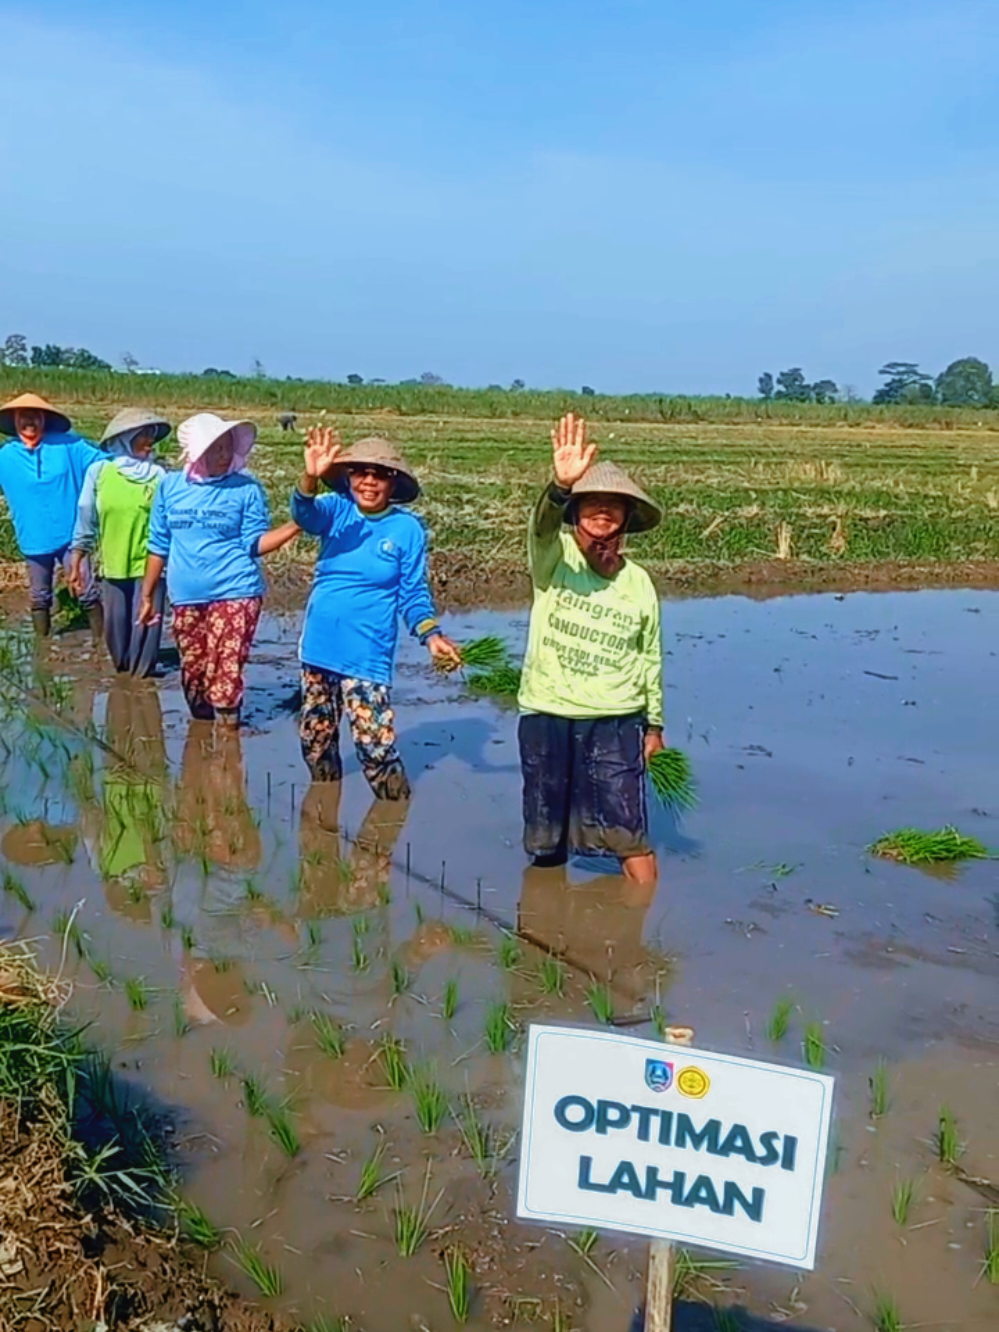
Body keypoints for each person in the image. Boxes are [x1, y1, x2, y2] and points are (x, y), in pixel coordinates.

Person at [517, 412, 665, 885]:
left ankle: (644, 920)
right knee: (546, 840)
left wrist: (654, 725)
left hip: (616, 721)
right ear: (575, 514)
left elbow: (650, 656)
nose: (602, 512)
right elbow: (539, 528)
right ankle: (546, 932)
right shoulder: (553, 559)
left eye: (613, 506)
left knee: (629, 835)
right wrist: (559, 486)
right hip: (548, 715)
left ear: (626, 518)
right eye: (590, 503)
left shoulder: (639, 582)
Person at [291, 426, 461, 800]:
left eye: (380, 474)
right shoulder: (335, 510)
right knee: (314, 740)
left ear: (394, 483)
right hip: (319, 647)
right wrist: (310, 476)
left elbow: (413, 593)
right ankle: (321, 818)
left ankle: (393, 816)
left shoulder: (407, 529)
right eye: (360, 472)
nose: (369, 482)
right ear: (348, 477)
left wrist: (431, 634)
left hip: (366, 653)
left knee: (375, 745)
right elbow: (303, 514)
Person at [138, 412, 299, 725]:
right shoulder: (170, 487)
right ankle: (201, 742)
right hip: (186, 594)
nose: (224, 455)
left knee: (225, 673)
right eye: (215, 448)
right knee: (195, 676)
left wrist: (294, 526)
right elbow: (158, 544)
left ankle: (227, 747)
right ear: (197, 453)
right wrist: (147, 595)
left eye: (228, 447)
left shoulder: (246, 489)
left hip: (236, 590)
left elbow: (254, 543)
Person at [69, 408, 171, 676]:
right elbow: (85, 515)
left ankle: (140, 682)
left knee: (146, 625)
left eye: (152, 435)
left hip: (150, 563)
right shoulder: (99, 472)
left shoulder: (159, 476)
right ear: (125, 438)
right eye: (143, 435)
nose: (150, 441)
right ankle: (122, 677)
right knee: (116, 626)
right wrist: (78, 556)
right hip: (113, 562)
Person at [0, 392, 104, 638]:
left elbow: (107, 465)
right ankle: (43, 649)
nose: (29, 422)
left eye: (35, 417)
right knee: (39, 596)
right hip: (33, 539)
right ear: (15, 421)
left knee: (86, 590)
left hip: (71, 537)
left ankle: (103, 645)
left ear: (44, 419)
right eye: (23, 417)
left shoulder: (69, 446)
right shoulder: (5, 456)